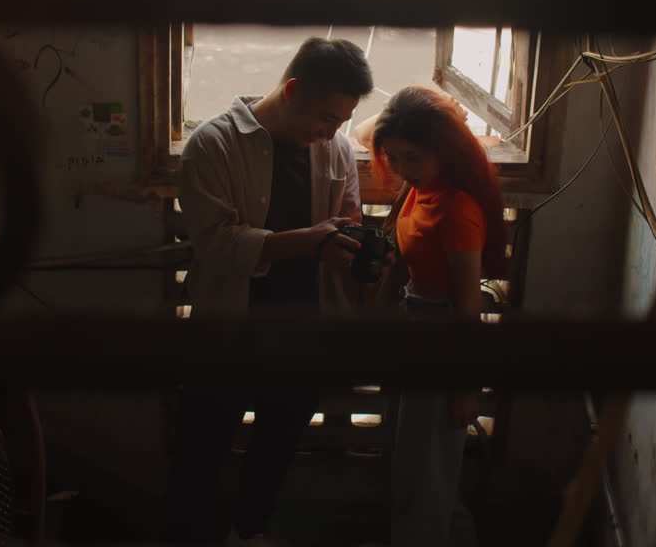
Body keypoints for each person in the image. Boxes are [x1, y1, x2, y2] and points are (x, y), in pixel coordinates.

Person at [168, 37, 374, 546]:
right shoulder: (213, 144)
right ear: (292, 90)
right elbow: (215, 242)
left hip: (302, 330)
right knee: (201, 449)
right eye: (326, 117)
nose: (332, 131)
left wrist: (355, 247)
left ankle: (250, 531)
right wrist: (309, 241)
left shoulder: (336, 147)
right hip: (227, 331)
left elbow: (348, 217)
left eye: (342, 121)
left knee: (278, 443)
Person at [369, 86, 506, 547]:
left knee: (427, 476)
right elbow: (405, 260)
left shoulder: (457, 209)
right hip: (415, 332)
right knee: (414, 467)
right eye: (395, 158)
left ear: (443, 152)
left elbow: (468, 305)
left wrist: (464, 384)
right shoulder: (418, 190)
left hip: (445, 341)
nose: (402, 169)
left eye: (411, 157)